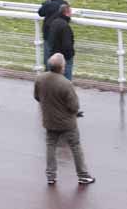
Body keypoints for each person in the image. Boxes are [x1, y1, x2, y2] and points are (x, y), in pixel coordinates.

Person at [33, 53, 95, 186]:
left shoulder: (40, 79)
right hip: (67, 123)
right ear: (62, 67)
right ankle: (83, 176)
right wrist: (74, 113)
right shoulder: (66, 84)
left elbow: (37, 97)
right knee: (75, 146)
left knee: (50, 146)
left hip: (49, 120)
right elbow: (74, 107)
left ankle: (50, 176)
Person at [37, 0, 67, 69]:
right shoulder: (65, 3)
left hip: (49, 35)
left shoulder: (50, 3)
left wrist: (47, 1)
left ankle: (49, 78)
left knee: (49, 59)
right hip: (62, 35)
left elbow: (40, 12)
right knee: (59, 60)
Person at [48, 3, 75, 80]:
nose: (71, 14)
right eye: (70, 12)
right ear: (66, 13)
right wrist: (70, 55)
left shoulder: (54, 22)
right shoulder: (65, 26)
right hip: (64, 58)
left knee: (54, 80)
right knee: (66, 80)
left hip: (54, 55)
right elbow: (67, 45)